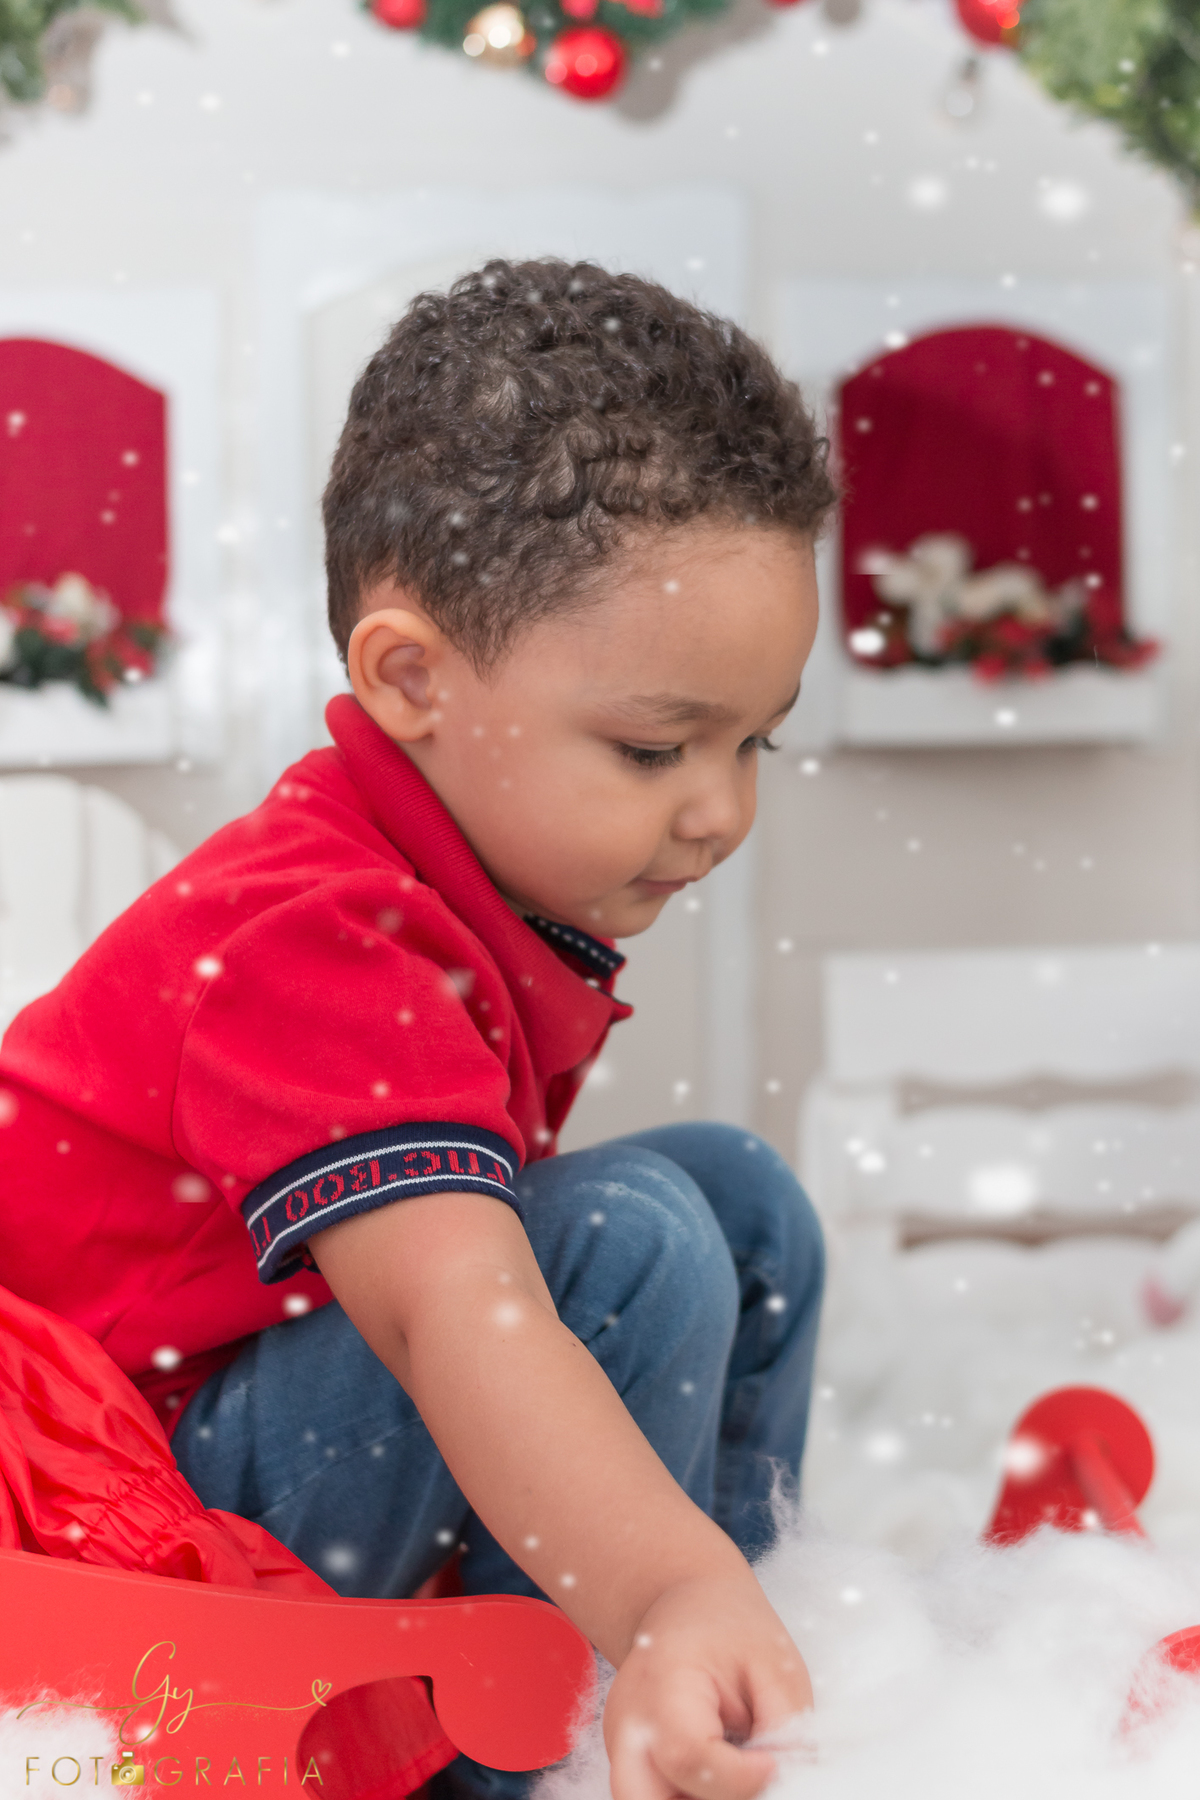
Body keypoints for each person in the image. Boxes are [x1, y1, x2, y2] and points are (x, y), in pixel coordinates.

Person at [0, 259, 833, 1800]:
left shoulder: (444, 887)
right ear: (408, 678)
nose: (720, 813)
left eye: (753, 740)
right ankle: (542, 1732)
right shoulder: (309, 930)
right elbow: (450, 1312)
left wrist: (685, 1577)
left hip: (217, 1407)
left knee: (736, 1191)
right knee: (631, 1239)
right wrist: (647, 1587)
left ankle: (729, 1662)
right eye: (655, 747)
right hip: (100, 1524)